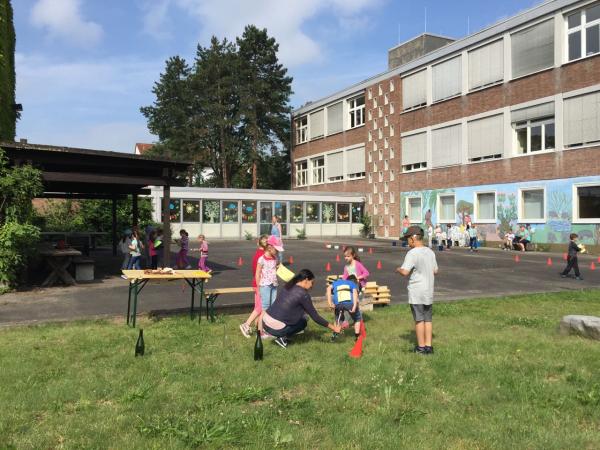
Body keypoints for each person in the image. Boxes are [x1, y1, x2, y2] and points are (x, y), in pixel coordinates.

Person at [261, 269, 342, 348]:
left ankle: (281, 336)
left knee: (300, 316)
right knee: (303, 321)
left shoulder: (288, 285)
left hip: (264, 323)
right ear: (306, 280)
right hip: (275, 329)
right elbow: (315, 317)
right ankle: (282, 337)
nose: (312, 286)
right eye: (312, 282)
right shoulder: (303, 294)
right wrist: (334, 328)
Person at [396, 226, 438, 355]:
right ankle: (428, 346)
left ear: (413, 238)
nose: (407, 242)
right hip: (428, 290)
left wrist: (398, 269)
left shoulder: (412, 253)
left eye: (407, 239)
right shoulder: (430, 252)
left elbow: (405, 272)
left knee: (419, 319)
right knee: (428, 319)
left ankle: (421, 347)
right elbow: (435, 270)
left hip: (417, 292)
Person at [239, 235, 268, 338]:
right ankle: (246, 324)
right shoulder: (262, 255)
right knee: (261, 306)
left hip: (257, 283)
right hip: (260, 284)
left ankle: (259, 328)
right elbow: (259, 272)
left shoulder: (258, 253)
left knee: (258, 306)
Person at [327, 274, 361, 341]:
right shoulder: (352, 283)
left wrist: (330, 303)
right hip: (349, 303)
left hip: (338, 303)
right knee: (357, 319)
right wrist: (354, 306)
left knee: (338, 320)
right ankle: (357, 337)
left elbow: (328, 289)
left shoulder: (336, 282)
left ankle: (334, 337)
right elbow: (355, 294)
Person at [256, 235, 282, 320]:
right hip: (265, 285)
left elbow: (275, 269)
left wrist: (279, 268)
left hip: (274, 284)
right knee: (265, 307)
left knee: (273, 306)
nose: (278, 252)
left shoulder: (275, 258)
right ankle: (260, 327)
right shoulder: (261, 259)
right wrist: (258, 288)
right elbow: (257, 274)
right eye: (276, 250)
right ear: (270, 247)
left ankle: (268, 326)